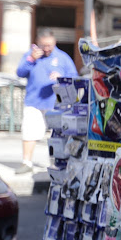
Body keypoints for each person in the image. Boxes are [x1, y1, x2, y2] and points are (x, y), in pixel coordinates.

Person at [15, 28, 78, 174]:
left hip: (55, 103)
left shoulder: (62, 57)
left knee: (57, 136)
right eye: (44, 45)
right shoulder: (30, 55)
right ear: (38, 43)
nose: (47, 48)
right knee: (29, 132)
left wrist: (61, 76)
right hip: (34, 102)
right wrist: (31, 59)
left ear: (54, 42)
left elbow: (74, 76)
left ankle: (57, 162)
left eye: (50, 45)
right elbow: (20, 72)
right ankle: (27, 163)